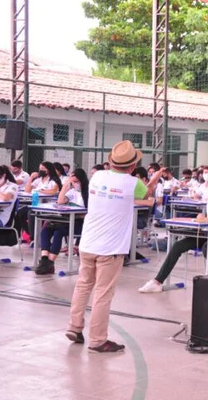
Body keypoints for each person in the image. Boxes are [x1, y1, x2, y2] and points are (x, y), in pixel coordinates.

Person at [67, 140, 147, 353]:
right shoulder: (134, 183)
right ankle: (98, 340)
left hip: (88, 242)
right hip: (111, 248)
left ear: (111, 161)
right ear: (132, 166)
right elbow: (145, 194)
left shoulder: (97, 176)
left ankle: (74, 327)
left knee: (83, 284)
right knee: (103, 293)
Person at [139, 172, 208, 293]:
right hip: (207, 234)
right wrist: (202, 217)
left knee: (206, 247)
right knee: (178, 246)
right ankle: (157, 282)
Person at [35, 169, 89, 275]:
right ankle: (45, 259)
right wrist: (65, 186)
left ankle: (49, 263)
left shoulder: (88, 193)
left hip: (80, 223)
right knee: (45, 229)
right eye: (73, 182)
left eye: (77, 181)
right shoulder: (72, 192)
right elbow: (60, 201)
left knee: (58, 233)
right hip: (66, 221)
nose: (75, 184)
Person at [18, 162, 62, 240]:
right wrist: (31, 178)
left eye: (43, 169)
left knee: (31, 213)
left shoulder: (53, 180)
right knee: (20, 212)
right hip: (37, 202)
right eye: (40, 168)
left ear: (48, 170)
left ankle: (34, 238)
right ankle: (32, 233)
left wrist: (41, 191)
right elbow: (27, 190)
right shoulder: (39, 180)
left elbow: (54, 191)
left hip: (49, 205)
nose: (40, 170)